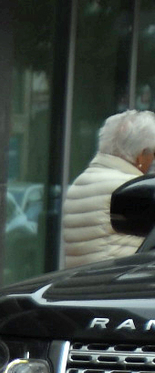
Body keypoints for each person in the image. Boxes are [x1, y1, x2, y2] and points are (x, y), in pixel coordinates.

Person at [60, 111, 155, 269]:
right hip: (119, 284)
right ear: (141, 156)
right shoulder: (130, 188)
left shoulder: (82, 181)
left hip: (81, 283)